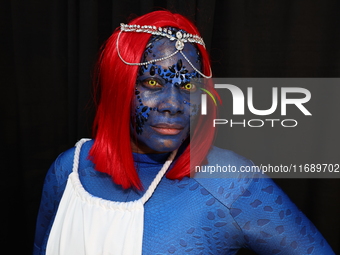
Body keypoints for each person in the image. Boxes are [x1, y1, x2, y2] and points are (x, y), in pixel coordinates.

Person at [33, 10, 334, 255]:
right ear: (118, 86)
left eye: (189, 86)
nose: (174, 105)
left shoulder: (230, 182)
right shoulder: (68, 171)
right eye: (152, 83)